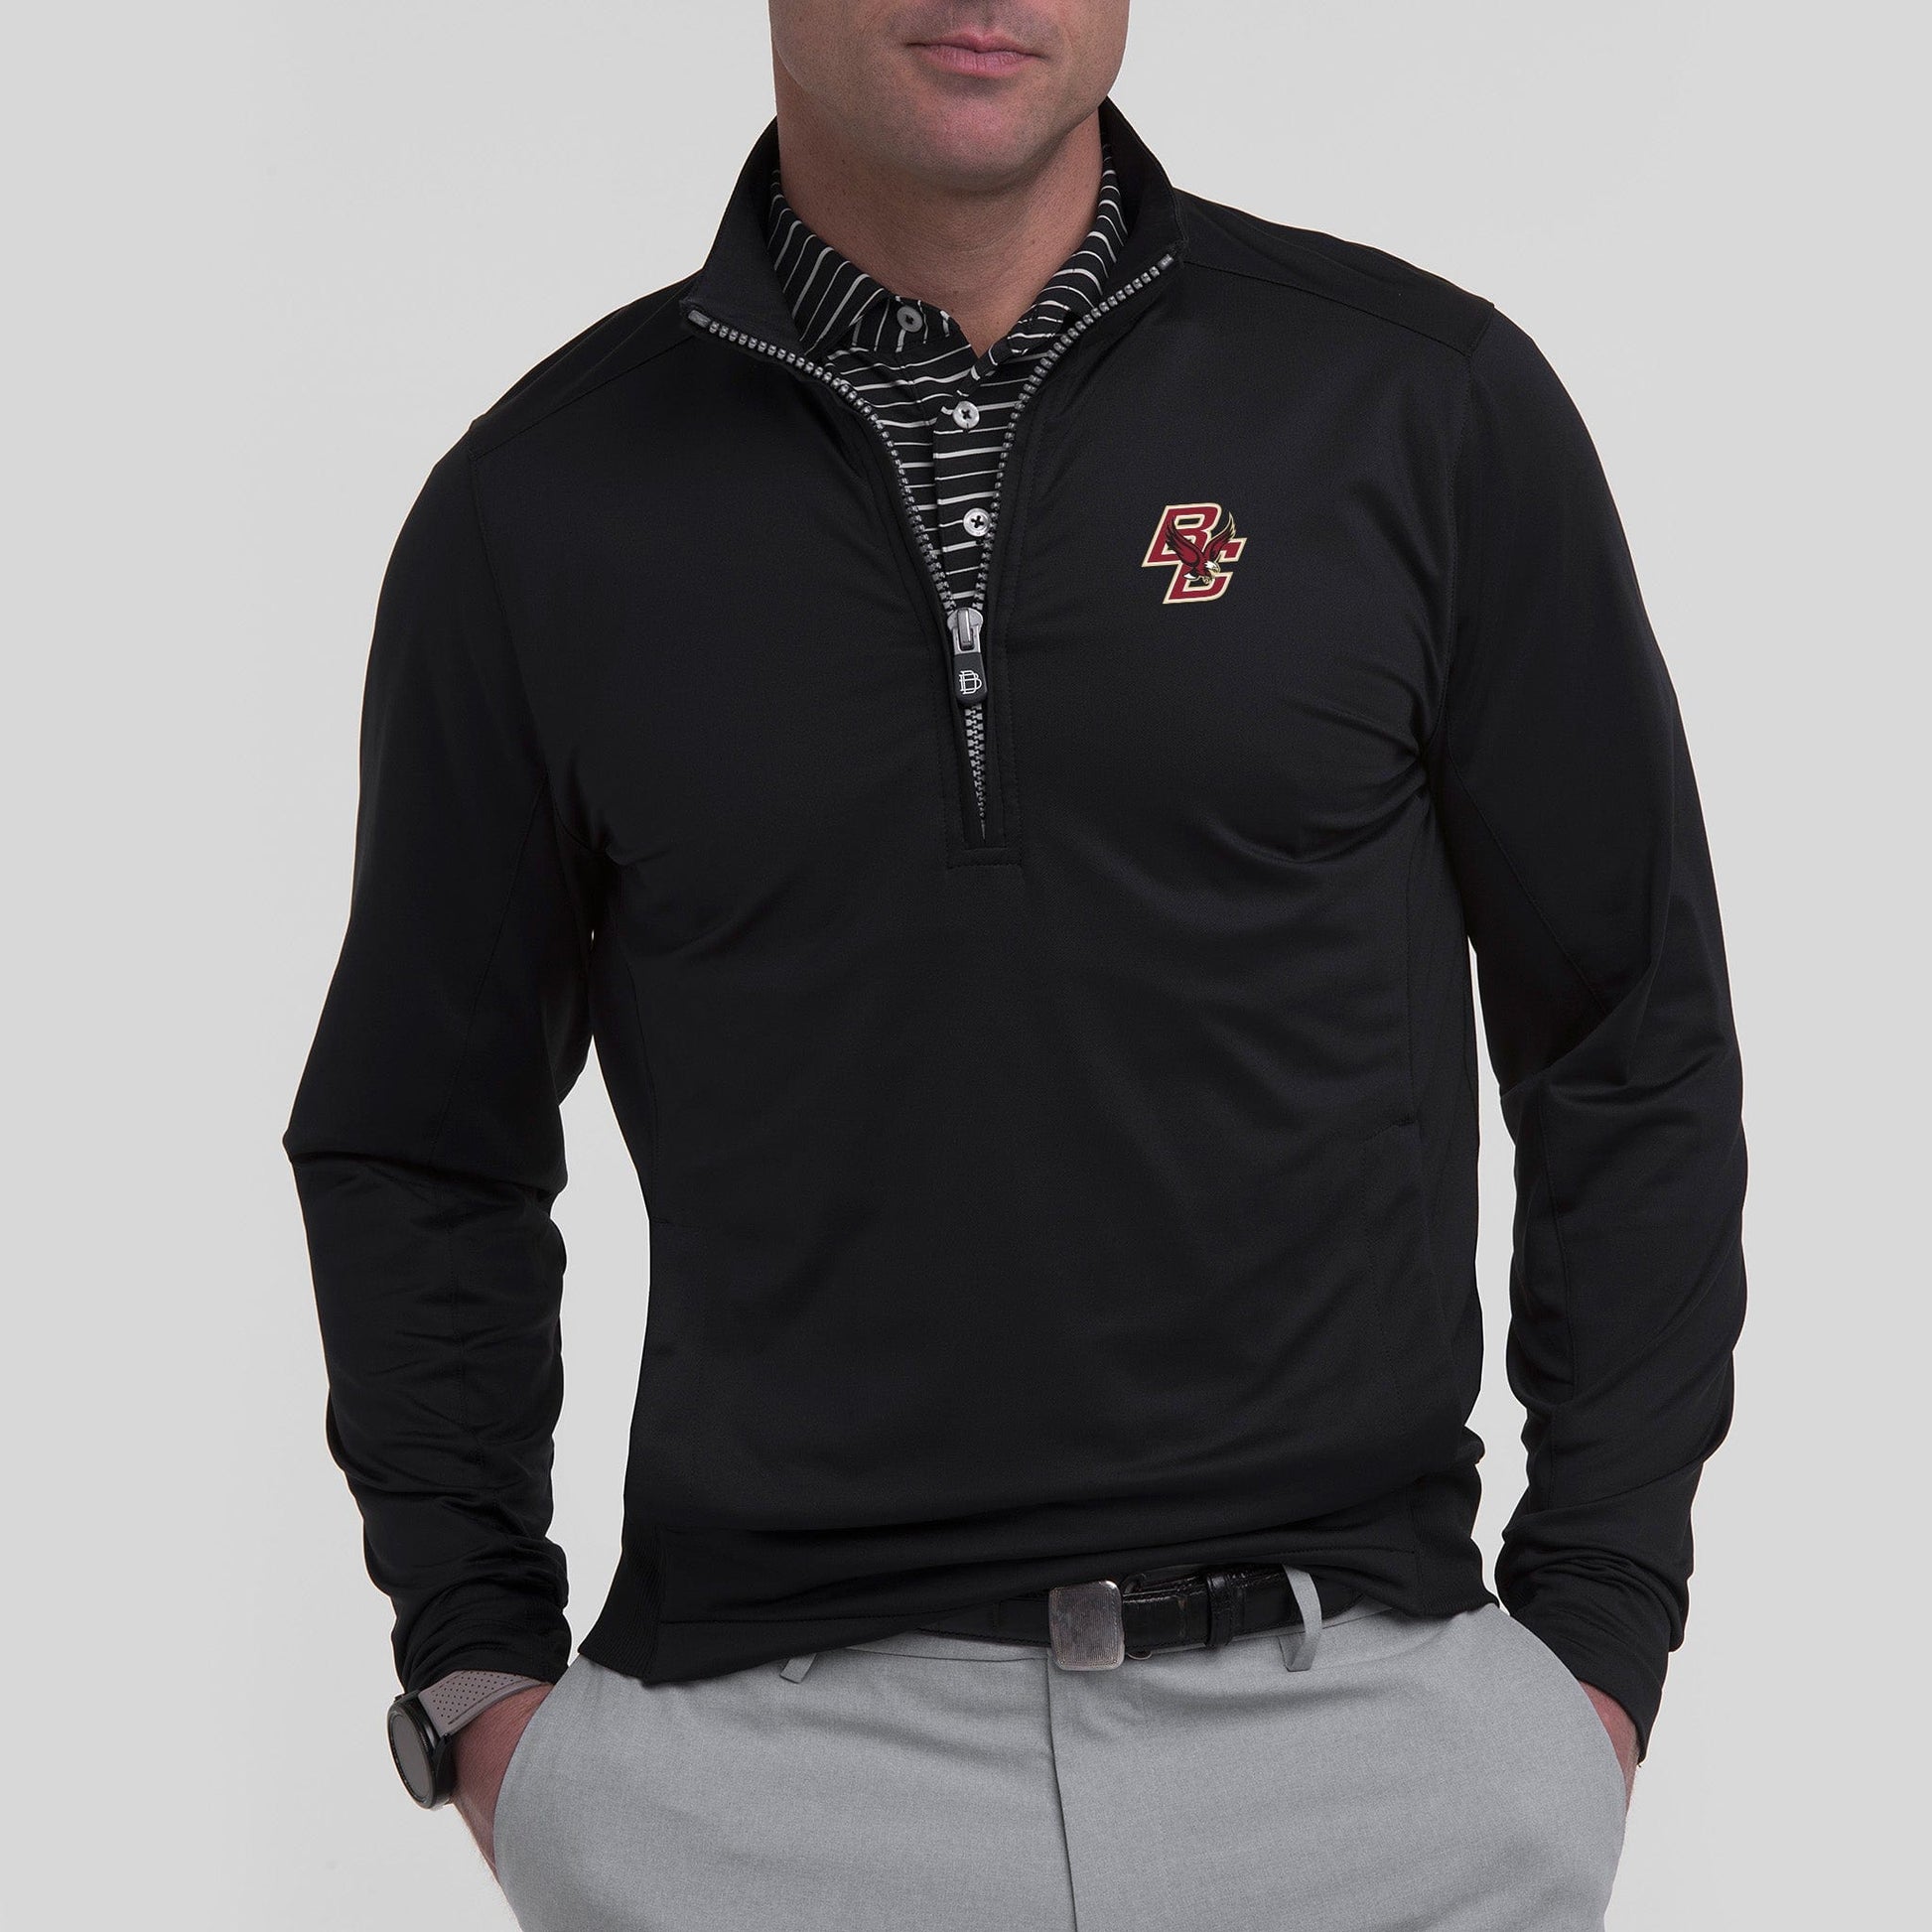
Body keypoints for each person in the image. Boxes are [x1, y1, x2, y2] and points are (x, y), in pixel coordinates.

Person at [286, 3, 1747, 1926]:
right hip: (759, 1788)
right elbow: (420, 1132)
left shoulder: (1415, 403)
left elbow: (1626, 1032)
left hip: (1370, 1758)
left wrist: (1596, 1637)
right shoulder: (541, 504)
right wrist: (479, 1673)